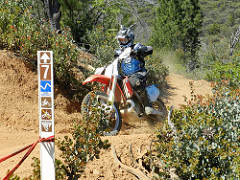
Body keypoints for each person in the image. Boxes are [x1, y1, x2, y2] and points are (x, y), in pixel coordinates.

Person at [114, 25, 156, 115]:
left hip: (139, 74)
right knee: (115, 82)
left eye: (124, 40)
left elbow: (150, 49)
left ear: (130, 39)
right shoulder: (118, 52)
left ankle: (148, 105)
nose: (122, 42)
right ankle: (117, 108)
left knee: (134, 81)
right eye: (120, 40)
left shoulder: (136, 47)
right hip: (126, 77)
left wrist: (141, 50)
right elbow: (115, 65)